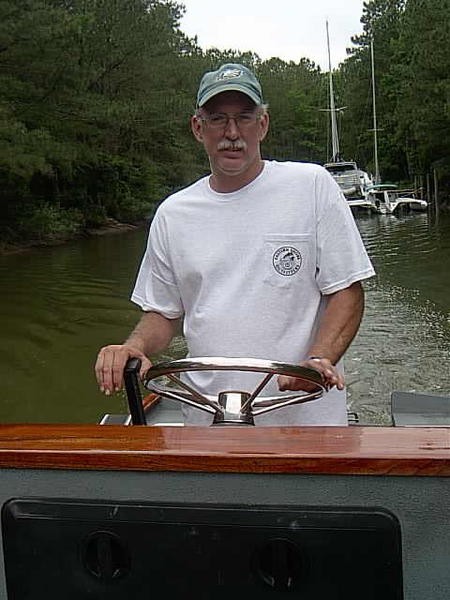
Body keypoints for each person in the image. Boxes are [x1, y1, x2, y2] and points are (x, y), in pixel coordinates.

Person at [95, 63, 375, 425]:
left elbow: (347, 291)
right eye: (217, 119)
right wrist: (133, 348)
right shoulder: (173, 214)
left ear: (263, 124)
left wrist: (320, 358)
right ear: (198, 128)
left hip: (305, 421)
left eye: (244, 118)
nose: (231, 133)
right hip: (206, 418)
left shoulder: (312, 186)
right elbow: (163, 313)